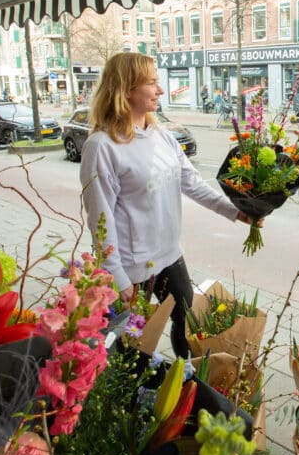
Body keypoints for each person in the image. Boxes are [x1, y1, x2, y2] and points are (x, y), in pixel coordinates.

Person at [80, 52, 259, 358]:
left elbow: (192, 183)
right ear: (125, 89)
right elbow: (100, 218)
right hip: (133, 267)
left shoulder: (161, 136)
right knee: (132, 344)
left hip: (168, 254)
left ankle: (185, 381)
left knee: (187, 323)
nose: (160, 90)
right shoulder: (102, 146)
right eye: (151, 83)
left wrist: (236, 211)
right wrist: (117, 276)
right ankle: (138, 398)